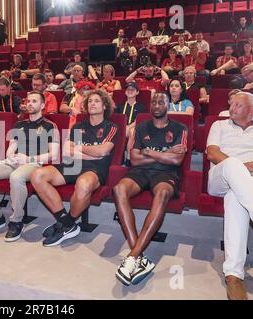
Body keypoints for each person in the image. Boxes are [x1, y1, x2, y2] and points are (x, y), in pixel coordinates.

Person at [113, 92, 188, 286]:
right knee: (119, 189)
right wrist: (165, 153)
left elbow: (177, 159)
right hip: (141, 172)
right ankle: (138, 257)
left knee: (162, 192)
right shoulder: (141, 127)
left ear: (168, 104)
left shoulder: (180, 128)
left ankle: (132, 256)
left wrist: (149, 151)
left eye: (161, 101)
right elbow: (134, 159)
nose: (156, 104)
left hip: (167, 174)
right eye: (153, 101)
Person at [31, 89, 118, 247]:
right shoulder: (78, 126)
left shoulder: (111, 127)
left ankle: (66, 224)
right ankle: (66, 222)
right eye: (90, 101)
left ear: (105, 106)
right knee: (37, 175)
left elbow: (103, 151)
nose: (92, 103)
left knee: (84, 184)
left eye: (97, 101)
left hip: (95, 168)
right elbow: (67, 151)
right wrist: (91, 151)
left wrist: (80, 149)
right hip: (72, 164)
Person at [0, 91, 60, 242]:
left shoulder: (50, 126)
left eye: (34, 101)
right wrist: (11, 155)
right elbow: (11, 148)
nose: (30, 104)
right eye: (28, 101)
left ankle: (16, 221)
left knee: (16, 177)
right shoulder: (19, 124)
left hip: (34, 163)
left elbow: (53, 154)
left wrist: (29, 158)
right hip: (13, 161)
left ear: (43, 105)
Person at [206, 92, 253, 300]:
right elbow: (212, 153)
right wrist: (242, 169)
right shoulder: (220, 125)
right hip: (220, 177)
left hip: (245, 186)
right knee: (232, 164)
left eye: (238, 105)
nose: (231, 108)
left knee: (235, 197)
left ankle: (234, 275)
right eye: (231, 104)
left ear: (250, 111)